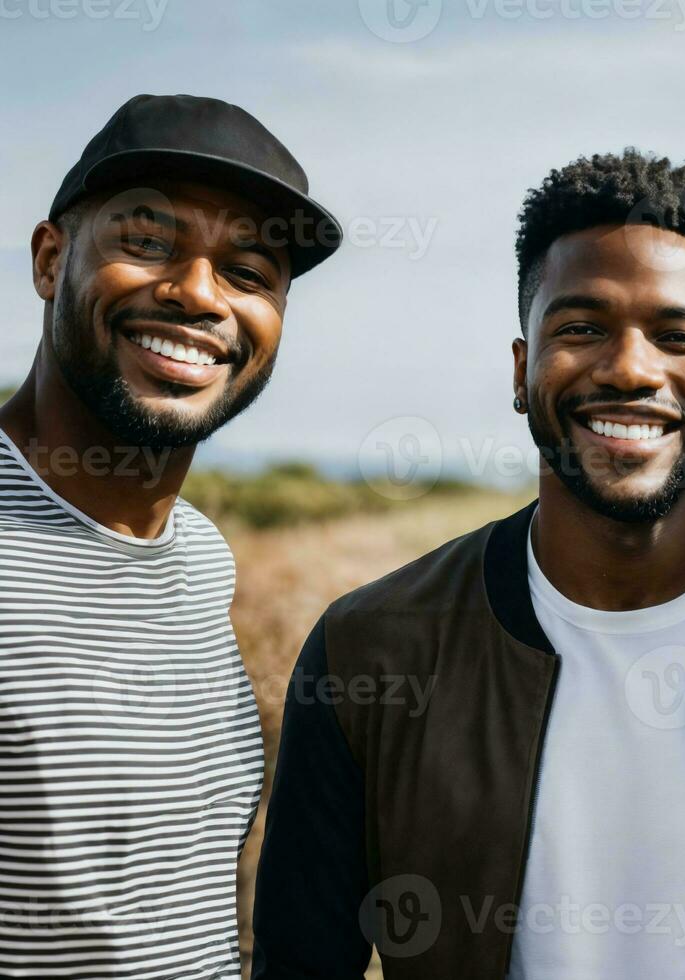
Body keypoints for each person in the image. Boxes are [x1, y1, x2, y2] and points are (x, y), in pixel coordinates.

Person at [253, 150, 685, 978]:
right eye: (581, 328)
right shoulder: (369, 651)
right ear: (522, 371)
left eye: (676, 337)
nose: (628, 369)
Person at [0, 93, 339, 977]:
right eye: (146, 242)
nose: (196, 293)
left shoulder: (194, 556)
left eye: (249, 272)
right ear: (50, 258)